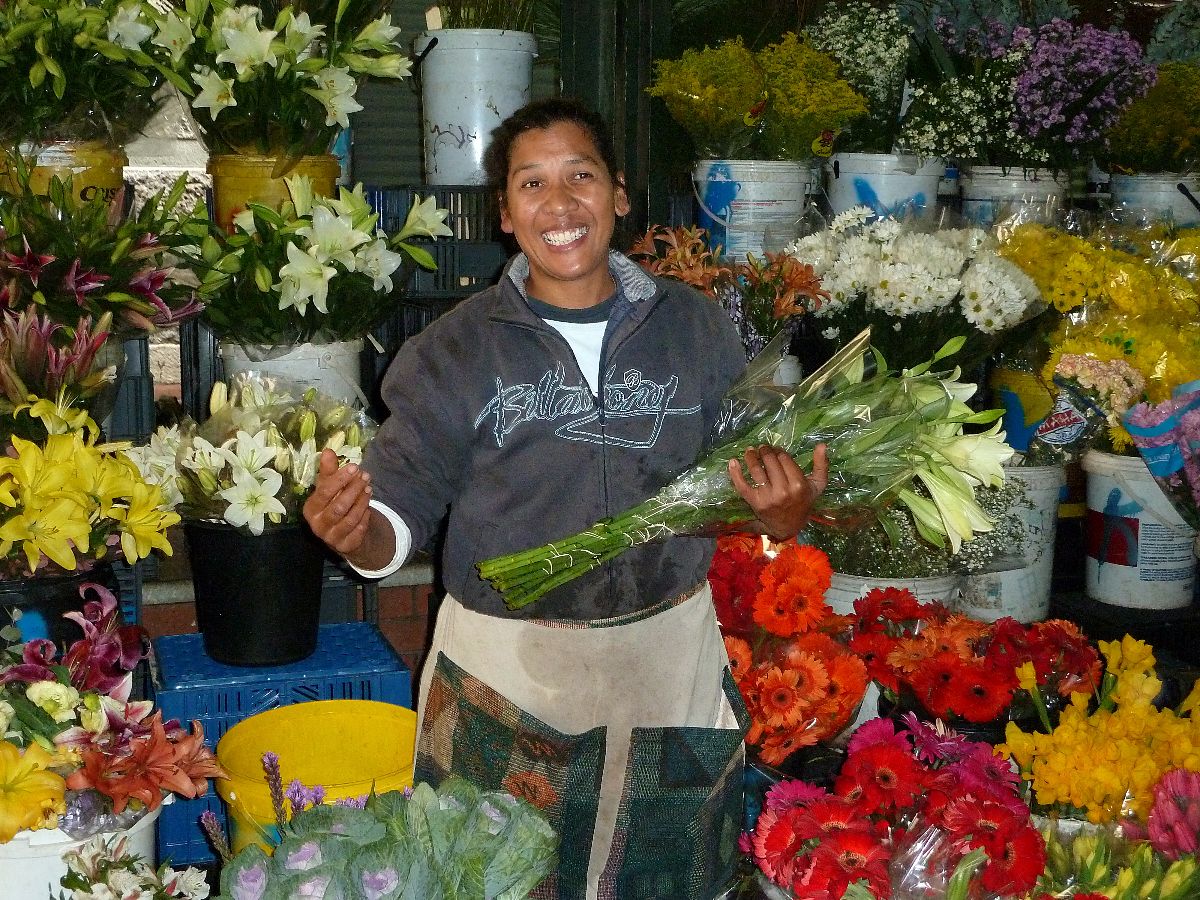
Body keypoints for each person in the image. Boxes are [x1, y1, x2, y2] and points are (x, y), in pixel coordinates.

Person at [303, 96, 828, 899]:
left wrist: (780, 519)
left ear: (619, 193)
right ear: (506, 215)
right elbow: (398, 514)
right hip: (506, 678)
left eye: (579, 176)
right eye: (531, 184)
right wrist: (354, 534)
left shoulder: (694, 329)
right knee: (495, 883)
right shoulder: (452, 351)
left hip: (667, 665)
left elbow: (742, 478)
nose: (559, 204)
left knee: (674, 882)